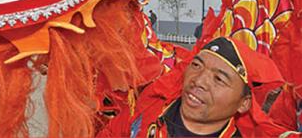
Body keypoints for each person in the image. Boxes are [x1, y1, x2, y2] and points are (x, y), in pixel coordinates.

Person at [98, 37, 289, 138]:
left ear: (244, 103)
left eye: (219, 79)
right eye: (196, 66)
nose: (199, 81)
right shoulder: (145, 114)